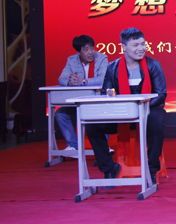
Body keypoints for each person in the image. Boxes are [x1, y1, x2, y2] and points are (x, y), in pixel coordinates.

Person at [86, 27, 167, 188]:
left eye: (143, 44)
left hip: (148, 110)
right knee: (92, 124)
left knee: (156, 121)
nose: (141, 48)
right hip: (121, 112)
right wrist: (117, 104)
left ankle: (151, 169)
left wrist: (139, 108)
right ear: (123, 47)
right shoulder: (112, 68)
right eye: (135, 45)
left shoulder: (153, 65)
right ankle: (109, 169)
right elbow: (106, 94)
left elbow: (161, 95)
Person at [55, 35, 108, 154]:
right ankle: (73, 145)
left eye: (92, 48)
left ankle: (104, 146)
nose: (91, 52)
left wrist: (84, 82)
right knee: (60, 113)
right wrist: (70, 81)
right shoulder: (71, 60)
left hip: (97, 103)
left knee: (104, 112)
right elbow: (61, 79)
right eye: (86, 49)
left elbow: (103, 79)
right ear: (78, 52)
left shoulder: (101, 58)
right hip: (79, 103)